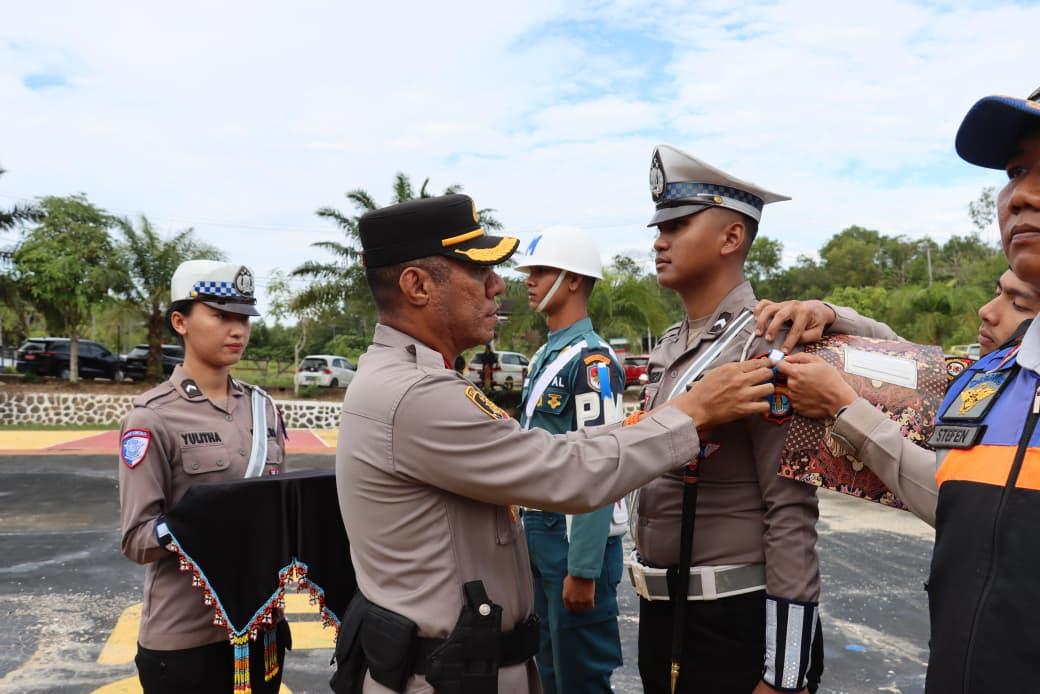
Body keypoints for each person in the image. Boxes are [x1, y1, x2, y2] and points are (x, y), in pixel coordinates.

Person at [332, 193, 779, 694]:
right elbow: (564, 468)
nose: (501, 285)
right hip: (449, 672)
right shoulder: (415, 393)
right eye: (480, 272)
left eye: (535, 272)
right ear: (416, 285)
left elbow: (560, 445)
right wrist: (691, 414)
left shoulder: (419, 377)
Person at [775, 86, 1040, 692]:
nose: (1021, 194)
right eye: (1017, 171)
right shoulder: (995, 381)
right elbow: (925, 390)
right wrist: (833, 317)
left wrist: (846, 411)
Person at [632, 145, 898, 694]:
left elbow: (790, 511)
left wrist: (783, 670)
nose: (659, 240)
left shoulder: (767, 341)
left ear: (732, 238)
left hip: (732, 622)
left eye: (677, 225)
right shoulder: (670, 346)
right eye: (658, 226)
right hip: (661, 614)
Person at [118, 260, 290, 694]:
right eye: (222, 316)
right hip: (186, 640)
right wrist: (206, 520)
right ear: (181, 322)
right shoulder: (152, 417)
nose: (238, 330)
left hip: (260, 629)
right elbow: (137, 539)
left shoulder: (263, 409)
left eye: (244, 318)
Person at [761, 268, 1038, 521]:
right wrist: (830, 315)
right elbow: (911, 364)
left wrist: (844, 408)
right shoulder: (986, 374)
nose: (986, 311)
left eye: (1019, 305)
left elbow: (956, 500)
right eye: (997, 293)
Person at [514, 226, 627, 693]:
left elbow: (600, 465)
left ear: (575, 280)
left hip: (570, 536)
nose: (529, 280)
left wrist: (583, 567)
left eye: (541, 271)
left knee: (581, 677)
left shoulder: (593, 362)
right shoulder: (547, 353)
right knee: (548, 672)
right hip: (538, 532)